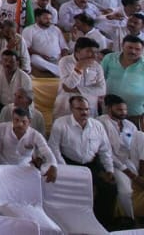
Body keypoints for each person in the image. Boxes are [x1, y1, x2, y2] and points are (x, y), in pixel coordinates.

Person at [49, 94, 118, 227]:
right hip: (68, 163)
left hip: (92, 164)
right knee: (68, 188)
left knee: (110, 187)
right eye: (80, 109)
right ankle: (68, 224)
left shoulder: (97, 125)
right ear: (72, 109)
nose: (84, 112)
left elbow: (105, 150)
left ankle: (102, 225)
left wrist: (109, 170)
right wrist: (67, 170)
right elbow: (54, 149)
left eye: (86, 109)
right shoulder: (61, 124)